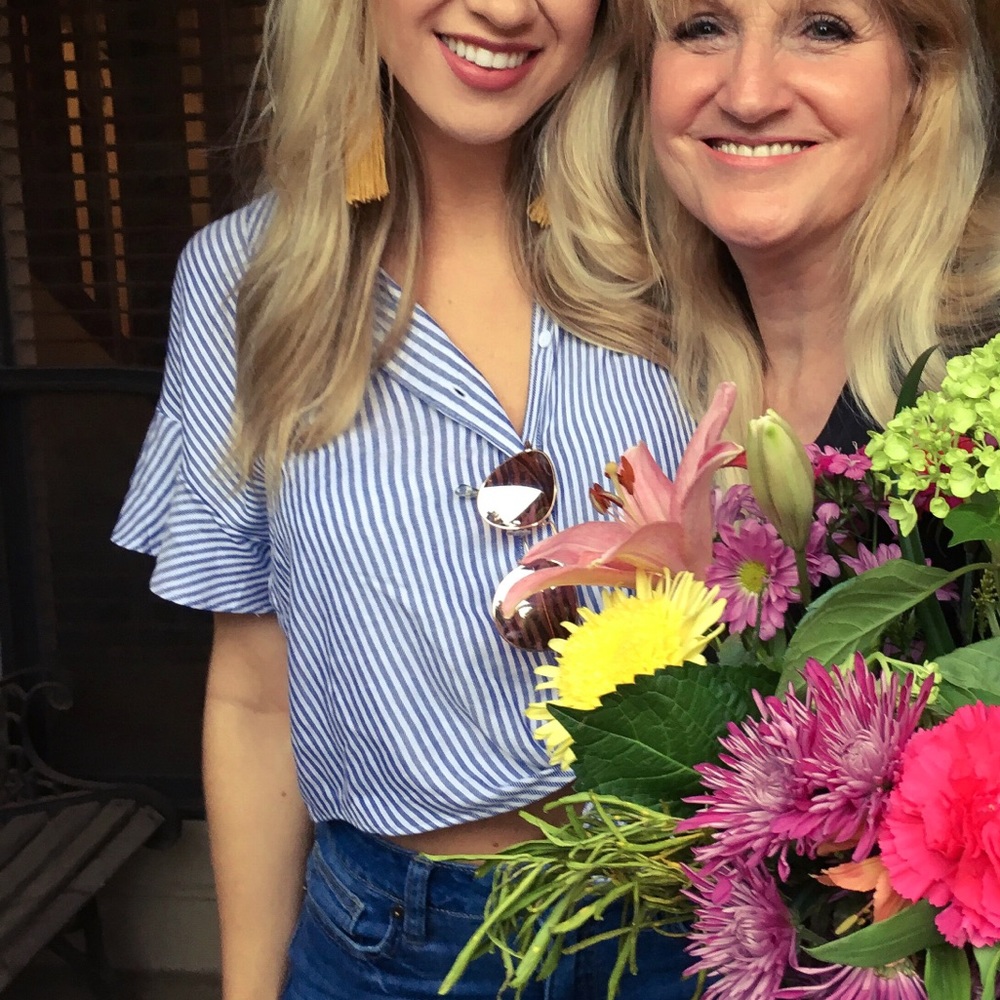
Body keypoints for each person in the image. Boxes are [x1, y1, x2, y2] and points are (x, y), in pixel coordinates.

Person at [112, 1, 699, 998]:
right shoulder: (243, 285)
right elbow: (256, 695)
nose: (509, 10)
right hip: (397, 946)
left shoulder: (684, 253)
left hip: (681, 922)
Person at [551, 0, 1000, 448]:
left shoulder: (984, 373)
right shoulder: (649, 383)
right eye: (703, 29)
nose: (749, 97)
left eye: (824, 30)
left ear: (920, 78)